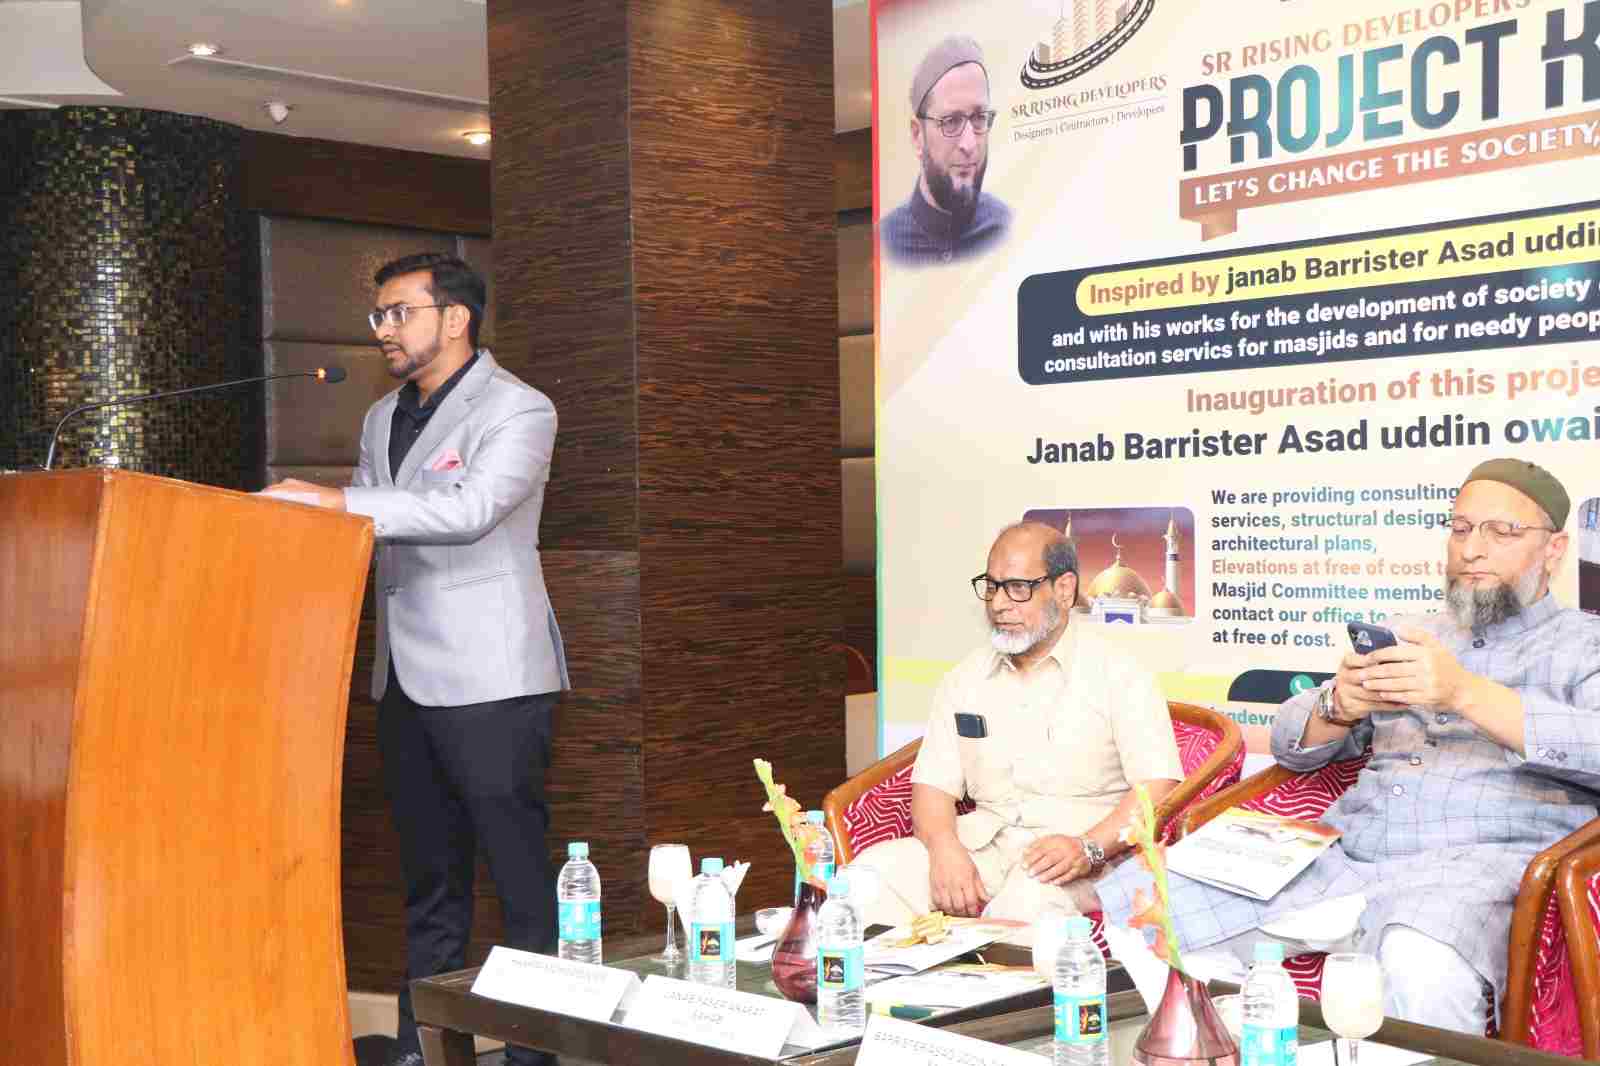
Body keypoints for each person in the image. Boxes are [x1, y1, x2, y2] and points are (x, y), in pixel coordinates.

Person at [1091, 458, 1600, 1034]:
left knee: (1422, 962)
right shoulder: (1411, 632)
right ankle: (1218, 1044)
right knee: (1146, 903)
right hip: (1344, 853)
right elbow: (1291, 745)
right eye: (1460, 529)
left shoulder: (1584, 645)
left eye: (1501, 532)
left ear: (1554, 549)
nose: (1472, 549)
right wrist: (1339, 705)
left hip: (1470, 870)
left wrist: (1464, 692)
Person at [267, 252, 568, 1066]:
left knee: (517, 882)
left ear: (456, 318)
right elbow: (369, 526)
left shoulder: (518, 408)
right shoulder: (380, 417)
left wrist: (333, 500)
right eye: (380, 316)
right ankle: (423, 1051)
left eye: (399, 312)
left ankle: (534, 1055)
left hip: (491, 679)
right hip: (401, 677)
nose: (384, 331)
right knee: (431, 884)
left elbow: (470, 509)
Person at [848, 521, 1182, 928]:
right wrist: (943, 848)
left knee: (1023, 906)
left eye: (1018, 588)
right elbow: (932, 786)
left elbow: (1158, 786)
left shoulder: (1120, 674)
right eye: (992, 587)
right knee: (868, 878)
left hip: (1081, 857)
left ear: (1064, 589)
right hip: (984, 845)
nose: (999, 604)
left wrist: (1089, 848)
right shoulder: (965, 678)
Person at [881, 35, 1012, 267]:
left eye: (979, 118)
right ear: (917, 135)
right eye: (951, 121)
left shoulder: (1006, 227)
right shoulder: (885, 244)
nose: (969, 144)